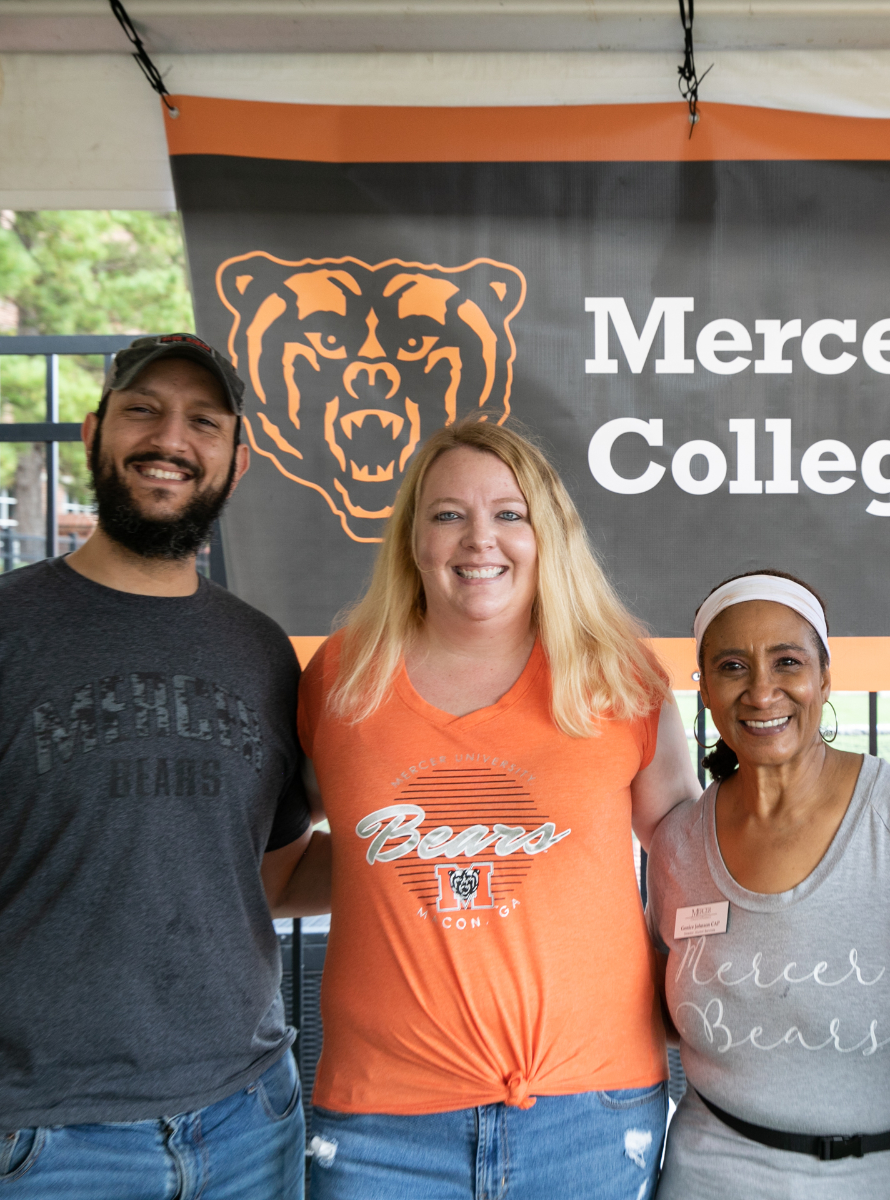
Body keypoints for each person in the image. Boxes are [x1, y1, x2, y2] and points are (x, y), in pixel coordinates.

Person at [0, 333, 313, 1200]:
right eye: (143, 411)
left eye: (203, 421)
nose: (171, 439)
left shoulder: (262, 653)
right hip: (31, 1144)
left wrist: (468, 849)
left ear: (237, 463)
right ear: (93, 434)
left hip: (248, 1125)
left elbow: (271, 881)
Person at [276, 420, 700, 1199]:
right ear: (413, 538)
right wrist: (414, 857)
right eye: (448, 515)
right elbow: (287, 863)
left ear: (550, 533)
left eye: (509, 514)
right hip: (383, 1130)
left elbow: (691, 862)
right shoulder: (341, 678)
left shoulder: (621, 676)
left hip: (590, 1113)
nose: (480, 540)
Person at [644, 571, 890, 1200]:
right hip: (708, 1176)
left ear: (825, 678)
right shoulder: (677, 845)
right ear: (703, 689)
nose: (761, 690)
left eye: (787, 661)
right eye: (732, 666)